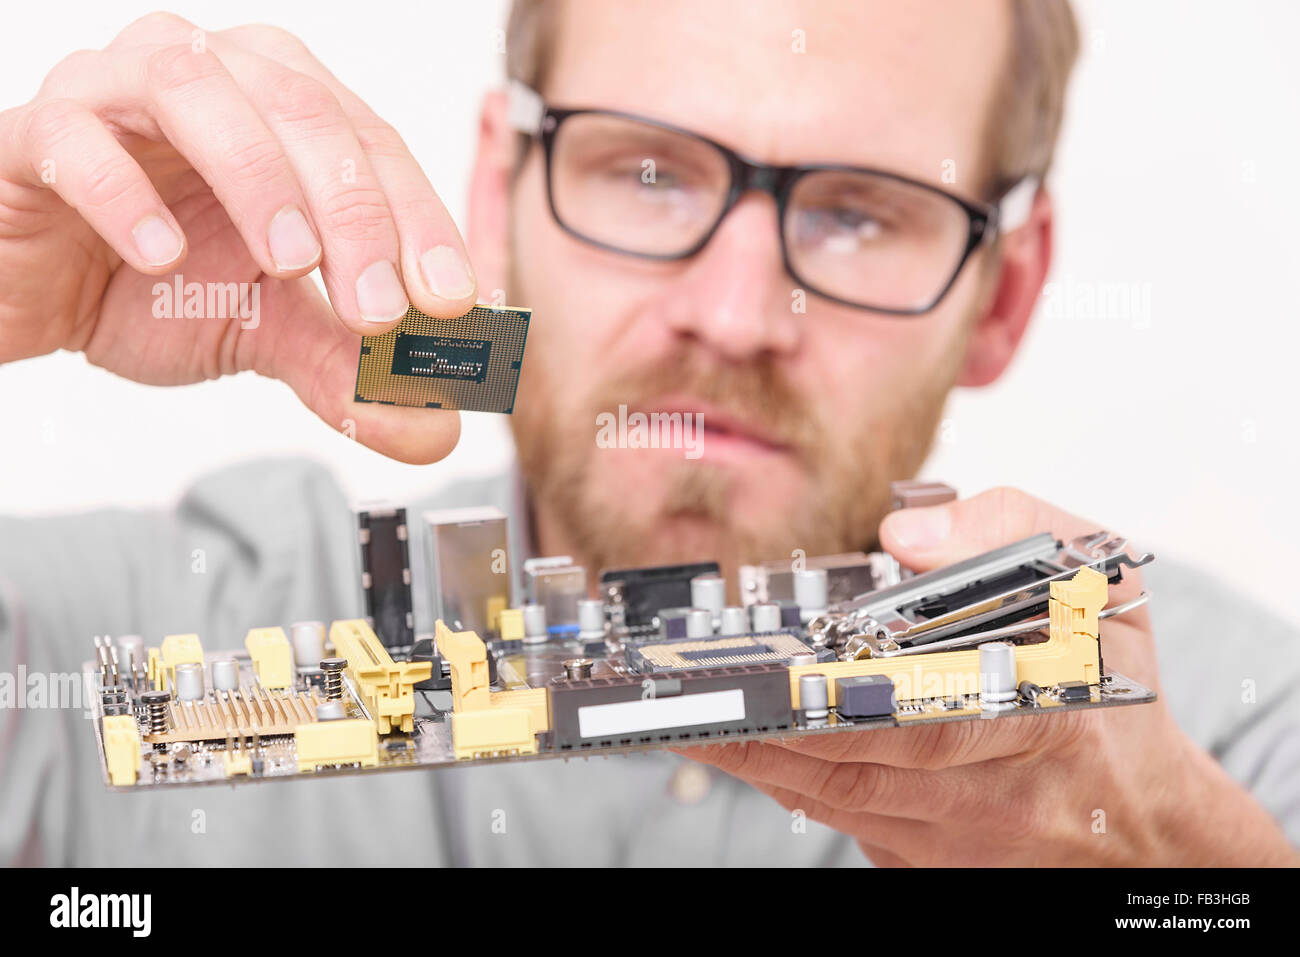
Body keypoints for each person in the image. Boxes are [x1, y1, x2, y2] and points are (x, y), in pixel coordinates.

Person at [0, 0, 1295, 866]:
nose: (734, 317)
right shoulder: (113, 654)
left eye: (858, 211)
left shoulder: (1228, 744)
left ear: (1004, 293)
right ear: (497, 197)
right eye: (650, 171)